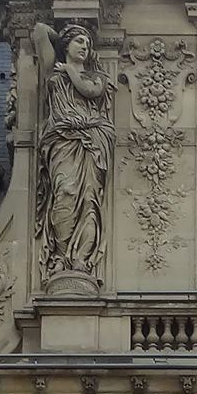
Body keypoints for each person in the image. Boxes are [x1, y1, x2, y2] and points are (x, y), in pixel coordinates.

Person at [32, 23, 115, 286]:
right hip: (62, 140)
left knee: (89, 200)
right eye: (79, 41)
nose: (85, 47)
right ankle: (60, 259)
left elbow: (92, 91)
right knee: (65, 194)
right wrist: (63, 36)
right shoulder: (53, 73)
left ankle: (81, 260)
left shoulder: (96, 76)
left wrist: (69, 68)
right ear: (66, 46)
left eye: (88, 44)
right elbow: (39, 31)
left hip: (91, 140)